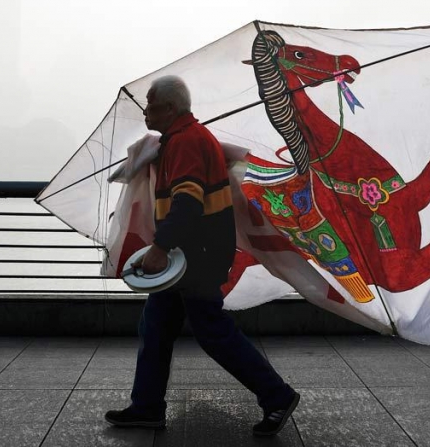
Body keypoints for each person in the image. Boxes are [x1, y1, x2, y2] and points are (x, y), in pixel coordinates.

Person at [105, 75, 300, 437]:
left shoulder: (186, 144)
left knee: (212, 332)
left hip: (195, 257)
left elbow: (188, 202)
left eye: (150, 104)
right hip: (191, 253)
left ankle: (277, 395)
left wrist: (160, 248)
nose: (146, 110)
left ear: (169, 108)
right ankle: (146, 407)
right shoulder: (178, 141)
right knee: (156, 327)